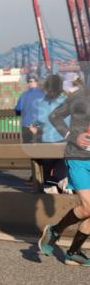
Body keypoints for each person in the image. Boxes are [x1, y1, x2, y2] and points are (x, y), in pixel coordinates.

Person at [38, 84, 90, 266]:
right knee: (88, 207)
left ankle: (74, 252)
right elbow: (55, 116)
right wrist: (72, 135)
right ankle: (55, 231)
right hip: (79, 158)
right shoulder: (80, 95)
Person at [35, 75, 69, 193]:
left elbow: (38, 120)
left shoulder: (42, 103)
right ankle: (63, 182)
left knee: (46, 167)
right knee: (62, 165)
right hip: (64, 140)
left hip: (47, 142)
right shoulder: (66, 100)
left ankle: (50, 184)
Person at [15, 75, 46, 143]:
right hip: (40, 126)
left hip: (27, 125)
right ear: (37, 82)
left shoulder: (24, 95)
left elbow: (17, 110)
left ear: (28, 83)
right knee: (42, 148)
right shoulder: (44, 94)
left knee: (27, 148)